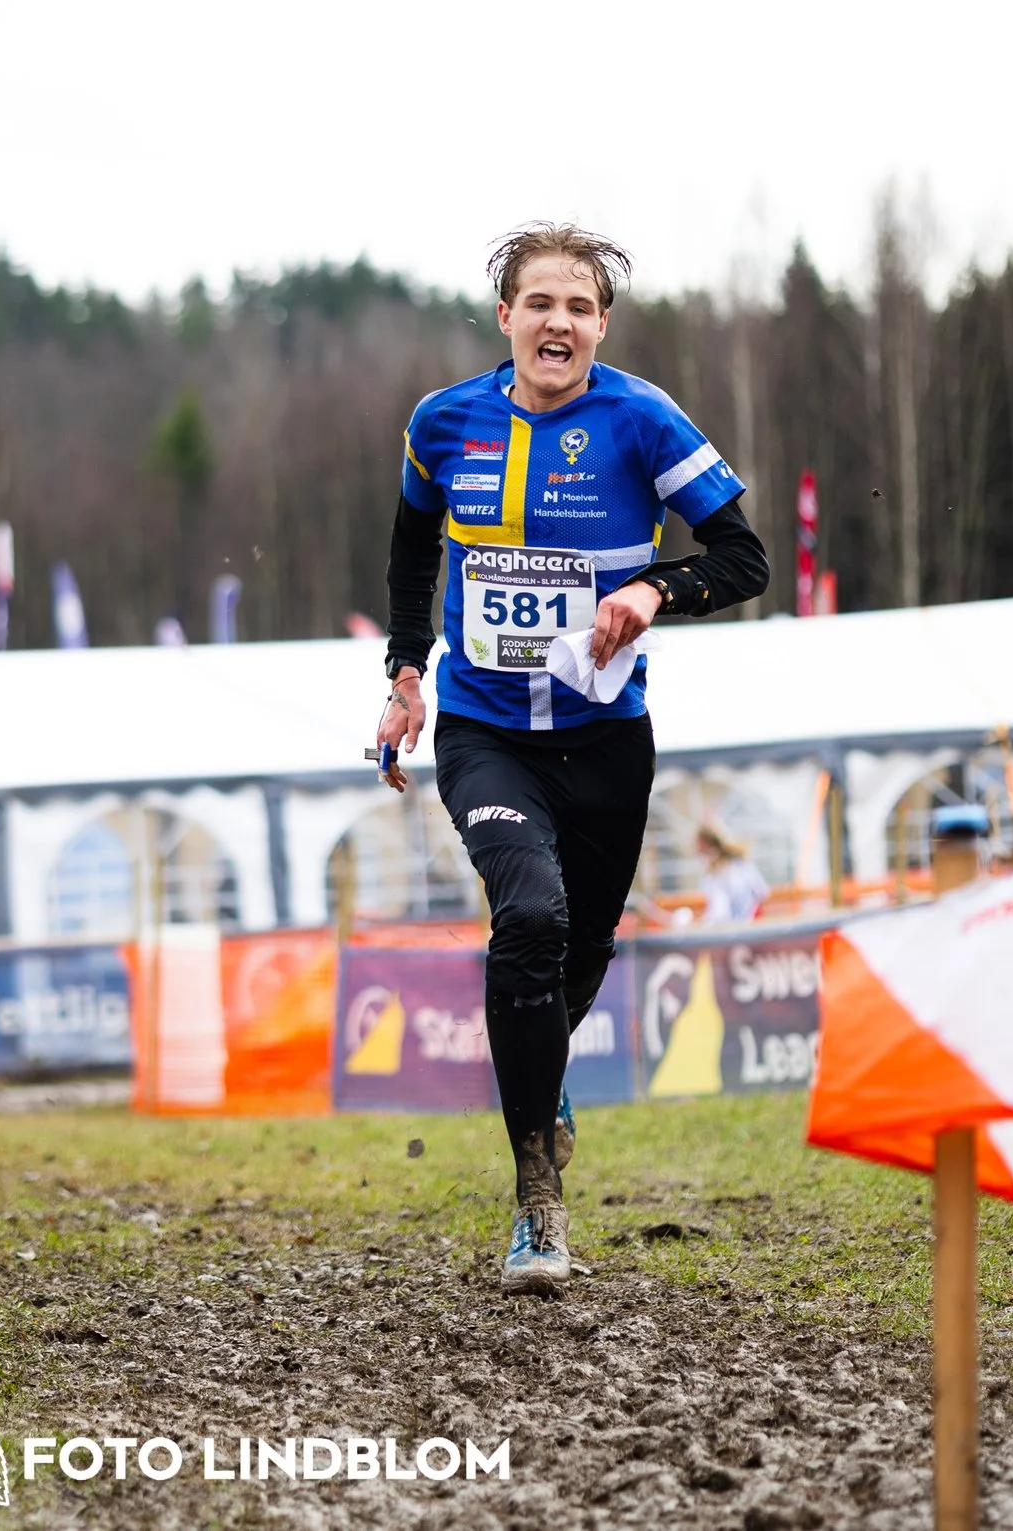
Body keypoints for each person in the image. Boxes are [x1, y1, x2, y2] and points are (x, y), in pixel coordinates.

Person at [375, 224, 766, 1295]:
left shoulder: (642, 419)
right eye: (539, 302)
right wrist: (406, 672)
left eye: (579, 307)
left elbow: (743, 557)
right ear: (505, 317)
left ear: (601, 326)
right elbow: (412, 546)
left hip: (603, 740)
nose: (559, 322)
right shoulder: (443, 422)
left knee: (579, 949)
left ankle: (539, 1085)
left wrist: (654, 588)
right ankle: (536, 1200)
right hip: (485, 731)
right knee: (531, 917)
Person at [697, 823, 769, 923]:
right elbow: (762, 892)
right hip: (745, 924)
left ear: (706, 843)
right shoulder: (741, 863)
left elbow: (720, 914)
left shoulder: (719, 872)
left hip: (734, 927)